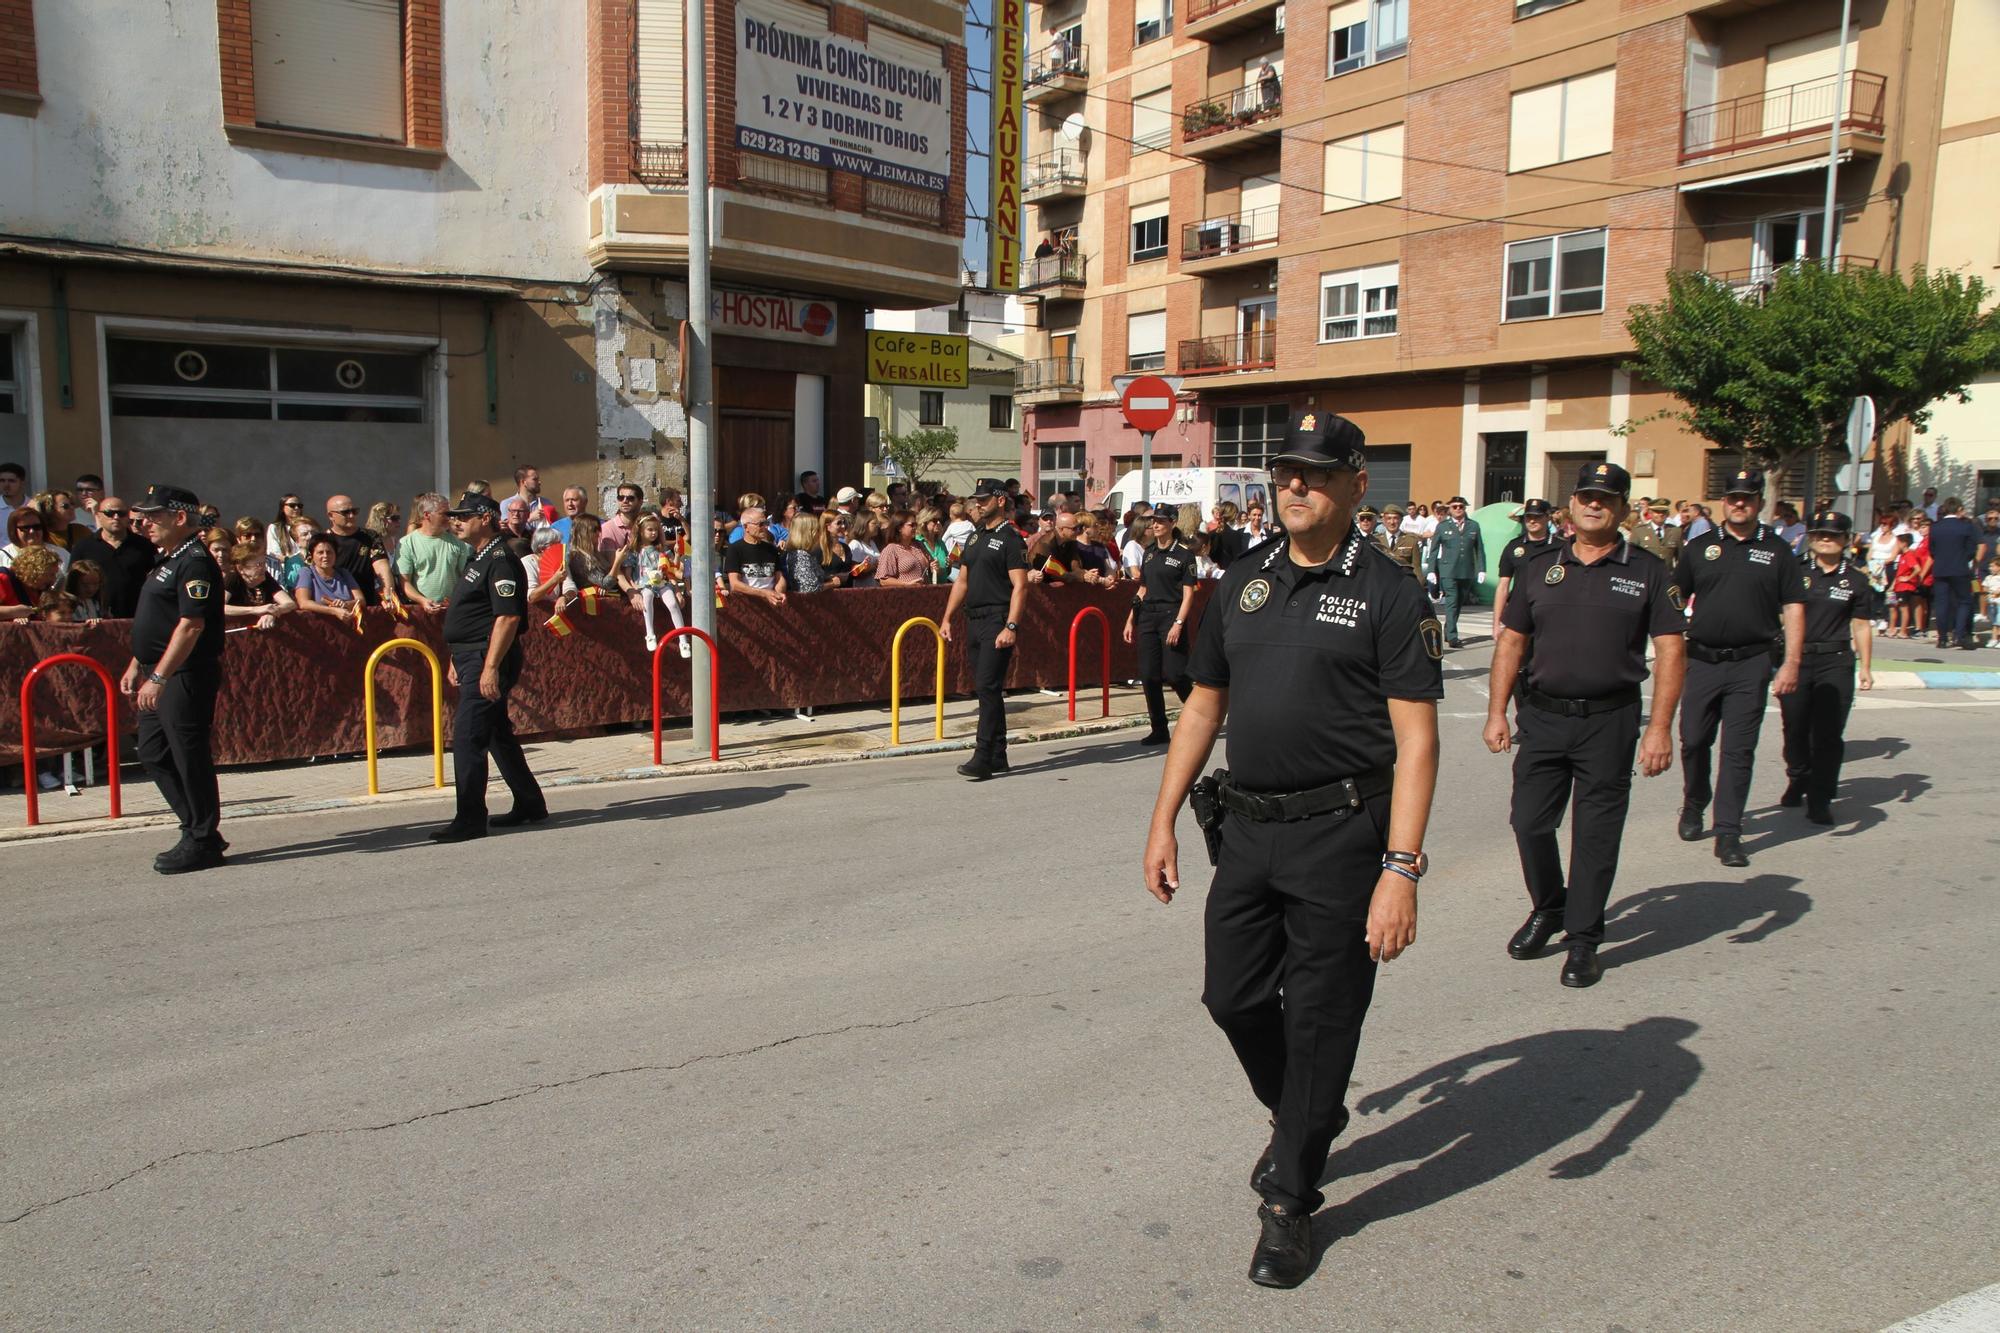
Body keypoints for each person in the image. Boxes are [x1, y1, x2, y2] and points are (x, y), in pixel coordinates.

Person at [1139, 410, 1441, 1290]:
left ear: (1355, 484)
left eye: (1315, 472)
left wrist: (1401, 869)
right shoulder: (1244, 579)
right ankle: (1303, 1115)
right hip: (1250, 829)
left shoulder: (1390, 591)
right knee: (1231, 996)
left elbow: (1417, 743)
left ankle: (1291, 1200)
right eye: (1284, 473)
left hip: (1346, 837)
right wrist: (1160, 818)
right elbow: (1203, 706)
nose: (1295, 486)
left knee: (1319, 1016)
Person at [1483, 463, 1686, 989]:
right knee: (1529, 822)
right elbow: (1511, 641)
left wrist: (1660, 728)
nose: (1594, 505)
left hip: (1609, 720)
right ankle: (1549, 907)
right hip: (1543, 717)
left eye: (1606, 498)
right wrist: (1496, 711)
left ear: (1622, 510)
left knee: (1595, 837)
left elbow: (1670, 650)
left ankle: (1583, 939)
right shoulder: (1539, 565)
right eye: (1585, 496)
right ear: (1570, 505)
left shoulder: (1646, 569)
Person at [1673, 469, 1804, 868]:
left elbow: (1794, 607)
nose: (1739, 503)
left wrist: (1792, 662)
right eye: (1732, 497)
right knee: (1693, 740)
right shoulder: (1700, 547)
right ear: (1723, 501)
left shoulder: (1778, 551)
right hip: (1702, 660)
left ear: (1760, 501)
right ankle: (1695, 801)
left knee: (1738, 750)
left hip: (1751, 662)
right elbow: (1674, 597)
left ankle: (1729, 830)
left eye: (1747, 497)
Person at [427, 493, 545, 840]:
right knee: (496, 734)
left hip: (486, 658)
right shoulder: (478, 557)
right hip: (471, 656)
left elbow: (507, 616)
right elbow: (473, 615)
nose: (456, 522)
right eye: (454, 516)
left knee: (467, 737)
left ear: (486, 518)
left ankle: (470, 818)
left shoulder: (500, 559)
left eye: (464, 516)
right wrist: (455, 655)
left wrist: (490, 667)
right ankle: (530, 803)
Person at [123, 485, 227, 874]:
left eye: (154, 516)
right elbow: (162, 621)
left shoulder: (195, 561)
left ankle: (202, 838)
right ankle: (197, 828)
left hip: (183, 674)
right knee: (153, 752)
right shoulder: (170, 558)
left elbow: (190, 625)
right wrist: (139, 662)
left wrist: (160, 676)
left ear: (179, 518)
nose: (145, 523)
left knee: (189, 755)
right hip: (160, 670)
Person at [1777, 510, 1877, 826]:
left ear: (1846, 540)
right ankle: (1798, 776)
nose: (1826, 540)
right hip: (1798, 659)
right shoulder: (1794, 571)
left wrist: (1866, 667)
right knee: (1794, 729)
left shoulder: (1856, 580)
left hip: (1836, 662)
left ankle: (1820, 799)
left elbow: (1861, 625)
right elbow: (1777, 612)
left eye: (1833, 535)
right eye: (1820, 534)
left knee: (1828, 734)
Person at [940, 480, 1028, 780]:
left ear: (1001, 501)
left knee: (988, 687)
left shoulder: (1011, 539)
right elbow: (962, 581)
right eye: (976, 499)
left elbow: (1020, 586)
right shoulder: (975, 537)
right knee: (986, 689)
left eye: (985, 499)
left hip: (997, 618)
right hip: (974, 619)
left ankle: (983, 755)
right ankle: (999, 754)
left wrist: (1011, 626)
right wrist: (947, 617)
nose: (978, 504)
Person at [1126, 510, 1198, 745]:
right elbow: (1142, 590)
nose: (1155, 525)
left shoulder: (1184, 555)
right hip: (1148, 615)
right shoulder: (1148, 553)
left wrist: (1179, 623)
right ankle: (1159, 728)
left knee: (1176, 673)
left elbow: (1189, 595)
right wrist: (1130, 619)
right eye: (1153, 522)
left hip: (1171, 614)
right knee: (1149, 675)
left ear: (1172, 523)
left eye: (1160, 521)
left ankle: (1198, 715)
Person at [70, 495, 154, 617]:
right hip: (95, 618)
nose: (116, 517)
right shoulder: (83, 546)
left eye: (121, 513)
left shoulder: (145, 546)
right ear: (98, 516)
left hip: (136, 616)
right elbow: (72, 585)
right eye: (109, 513)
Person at [618, 512, 688, 654]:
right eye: (650, 530)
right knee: (648, 597)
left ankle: (683, 640)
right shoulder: (634, 551)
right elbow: (628, 573)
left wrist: (677, 555)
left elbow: (672, 569)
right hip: (644, 583)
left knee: (673, 603)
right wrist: (633, 587)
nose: (654, 533)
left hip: (662, 582)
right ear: (641, 531)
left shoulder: (661, 549)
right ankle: (650, 634)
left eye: (656, 530)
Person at [394, 493, 472, 614]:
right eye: (444, 514)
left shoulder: (457, 542)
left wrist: (457, 600)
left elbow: (466, 578)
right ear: (427, 515)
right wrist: (422, 600)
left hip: (451, 610)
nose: (449, 518)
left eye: (450, 514)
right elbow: (405, 582)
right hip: (420, 612)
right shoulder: (407, 543)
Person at [1424, 496, 1484, 647]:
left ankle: (1448, 629)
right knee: (1452, 599)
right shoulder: (1443, 526)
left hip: (1467, 570)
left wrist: (1482, 569)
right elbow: (1434, 549)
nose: (1458, 509)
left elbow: (1480, 549)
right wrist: (1431, 570)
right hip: (1448, 570)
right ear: (1450, 509)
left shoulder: (1473, 526)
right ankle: (1452, 636)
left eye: (1461, 506)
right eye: (1455, 506)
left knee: (1458, 602)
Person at [1491, 498, 1559, 631]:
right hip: (1518, 613)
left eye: (1537, 517)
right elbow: (1503, 586)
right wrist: (1496, 624)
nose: (1532, 521)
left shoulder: (1561, 547)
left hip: (1549, 616)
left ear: (1547, 518)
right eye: (1528, 517)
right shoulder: (1513, 546)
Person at [1926, 497, 1983, 650]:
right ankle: (1959, 634)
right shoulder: (1965, 527)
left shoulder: (1936, 527)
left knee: (1941, 604)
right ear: (1959, 510)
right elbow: (1971, 549)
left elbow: (1932, 549)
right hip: (1959, 568)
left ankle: (1942, 638)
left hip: (1940, 568)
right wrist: (1963, 559)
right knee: (1965, 601)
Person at [324, 494, 398, 610]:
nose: (351, 515)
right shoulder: (323, 541)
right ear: (330, 516)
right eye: (345, 512)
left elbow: (382, 567)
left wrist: (388, 595)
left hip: (366, 604)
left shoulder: (370, 537)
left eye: (354, 511)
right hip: (335, 604)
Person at [292, 533, 365, 623]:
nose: (325, 556)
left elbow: (361, 601)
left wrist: (345, 604)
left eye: (329, 552)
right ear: (312, 555)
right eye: (320, 553)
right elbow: (303, 603)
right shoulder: (306, 572)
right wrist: (333, 611)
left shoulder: (344, 573)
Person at [221, 542, 295, 629]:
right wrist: (255, 610)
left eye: (264, 563)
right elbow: (220, 607)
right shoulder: (233, 578)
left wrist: (272, 612)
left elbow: (290, 603)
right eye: (258, 565)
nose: (264, 568)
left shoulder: (265, 576)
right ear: (241, 568)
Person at [723, 506, 788, 604]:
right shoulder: (735, 549)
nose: (765, 527)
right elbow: (735, 584)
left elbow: (779, 577)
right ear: (746, 527)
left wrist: (777, 594)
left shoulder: (771, 549)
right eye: (760, 524)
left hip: (771, 605)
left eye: (766, 523)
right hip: (746, 606)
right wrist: (764, 593)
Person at [0, 543, 60, 621]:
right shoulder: (3, 579)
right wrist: (13, 611)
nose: (54, 580)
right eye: (51, 575)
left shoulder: (39, 590)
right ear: (34, 571)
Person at [876, 511, 932, 586]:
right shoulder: (891, 549)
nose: (915, 528)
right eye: (911, 525)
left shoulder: (919, 545)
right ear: (899, 527)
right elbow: (883, 580)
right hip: (903, 595)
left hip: (924, 593)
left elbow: (930, 565)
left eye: (916, 525)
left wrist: (933, 567)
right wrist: (906, 584)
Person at [781, 514, 827, 594]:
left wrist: (830, 577)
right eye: (817, 530)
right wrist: (833, 583)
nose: (819, 534)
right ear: (808, 533)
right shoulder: (799, 556)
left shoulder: (806, 554)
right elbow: (809, 588)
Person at [1374, 504, 1423, 579]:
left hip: (1403, 583)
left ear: (1401, 520)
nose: (1392, 522)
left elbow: (1416, 568)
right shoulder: (1375, 540)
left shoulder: (1411, 541)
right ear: (1383, 520)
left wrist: (1418, 587)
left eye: (1395, 518)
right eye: (1388, 518)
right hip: (1380, 583)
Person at [600, 483, 644, 555]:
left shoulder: (646, 524)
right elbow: (610, 563)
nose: (625, 501)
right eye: (621, 498)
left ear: (640, 502)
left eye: (630, 498)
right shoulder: (607, 529)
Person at [0, 459, 24, 535]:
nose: (6, 485)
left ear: (22, 482)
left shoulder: (33, 506)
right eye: (2, 480)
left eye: (11, 481)